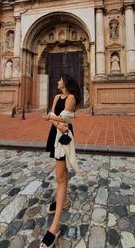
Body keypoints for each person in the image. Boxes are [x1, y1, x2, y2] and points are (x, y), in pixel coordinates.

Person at [40, 74, 82, 248]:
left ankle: (54, 227)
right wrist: (54, 121)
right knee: (62, 174)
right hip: (55, 133)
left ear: (65, 83)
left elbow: (65, 119)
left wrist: (52, 119)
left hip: (64, 137)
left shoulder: (71, 98)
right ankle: (63, 201)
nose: (57, 82)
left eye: (59, 80)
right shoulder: (57, 97)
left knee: (59, 177)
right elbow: (53, 117)